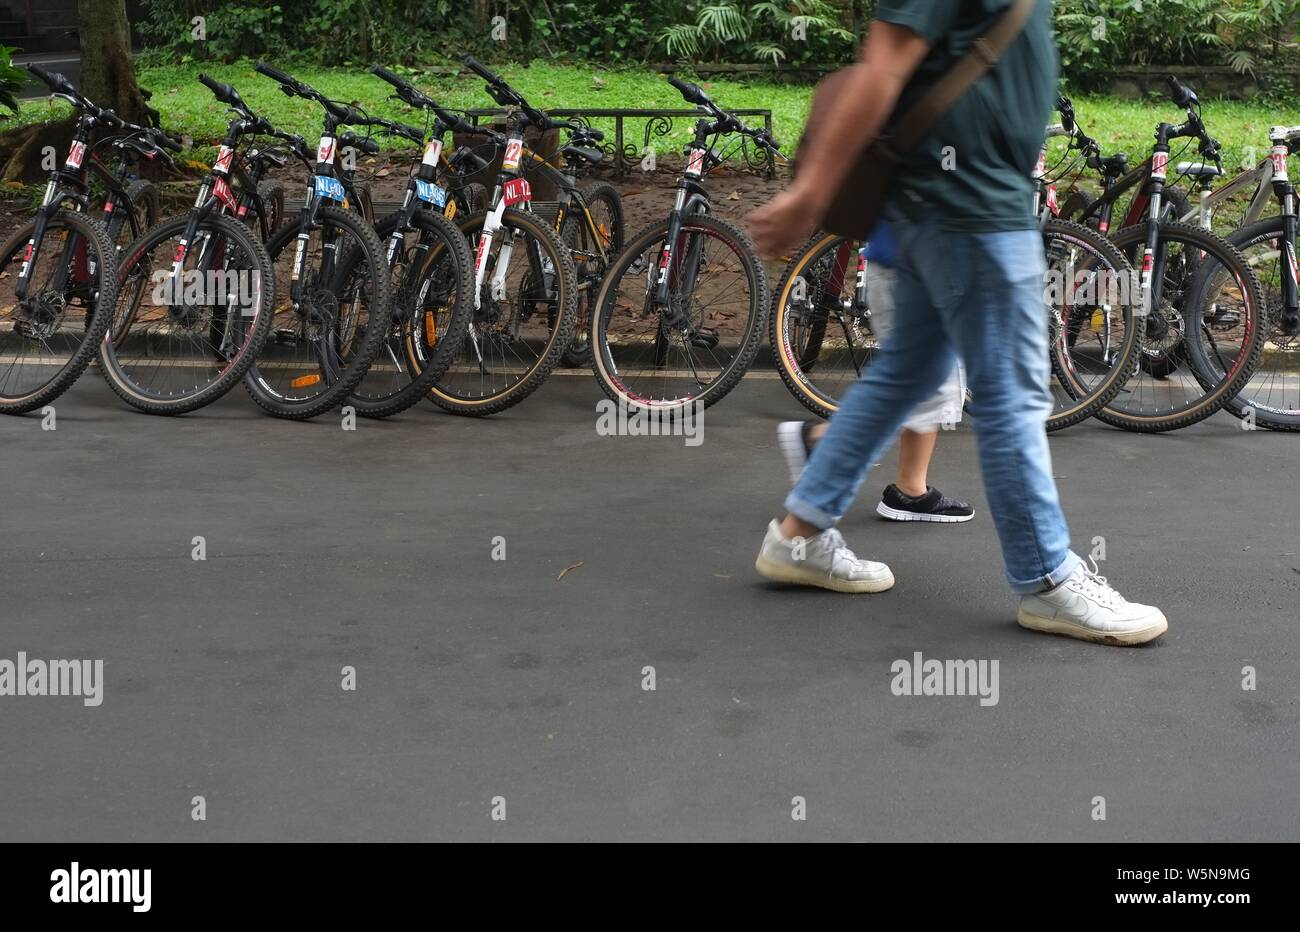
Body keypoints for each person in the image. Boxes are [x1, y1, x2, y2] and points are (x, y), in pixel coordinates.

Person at [748, 0, 1167, 645]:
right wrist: (809, 194)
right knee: (1013, 397)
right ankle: (1048, 579)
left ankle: (798, 537)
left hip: (945, 208)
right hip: (971, 210)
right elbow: (881, 68)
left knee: (904, 375)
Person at [779, 220, 974, 525]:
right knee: (916, 384)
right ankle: (818, 446)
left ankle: (910, 490)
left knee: (926, 384)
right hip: (922, 268)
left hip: (904, 261)